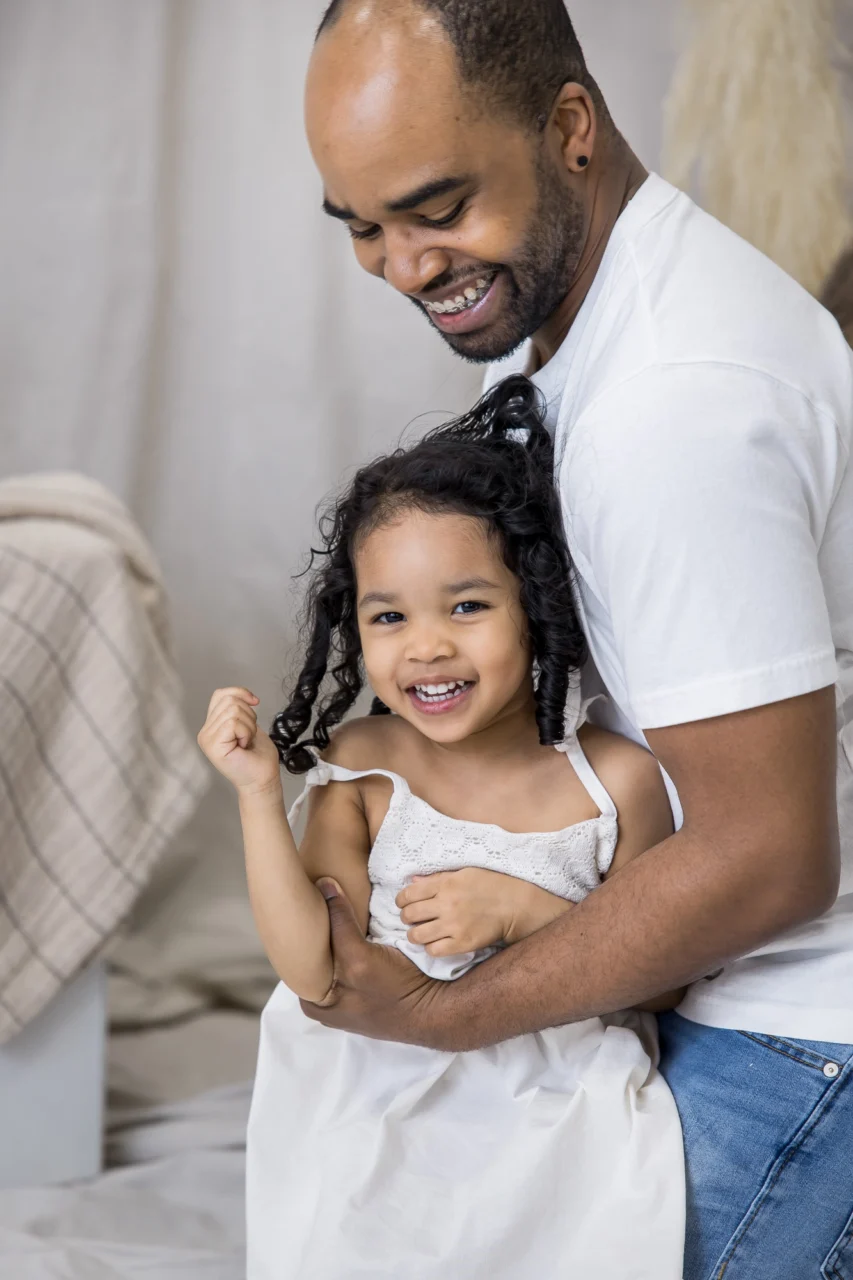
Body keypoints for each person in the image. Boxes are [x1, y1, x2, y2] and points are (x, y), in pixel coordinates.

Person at [300, 2, 853, 1277]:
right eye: (363, 227)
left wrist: (447, 1018)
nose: (402, 265)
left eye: (436, 207)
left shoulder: (673, 408)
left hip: (796, 1027)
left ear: (568, 128)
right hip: (679, 975)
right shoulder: (569, 325)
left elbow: (769, 860)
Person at [198, 378, 686, 1278]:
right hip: (373, 1097)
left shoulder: (615, 778)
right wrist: (257, 795)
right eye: (389, 617)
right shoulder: (364, 764)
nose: (424, 646)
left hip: (554, 1109)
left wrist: (526, 911)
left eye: (466, 606)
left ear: (536, 610)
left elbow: (659, 981)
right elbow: (312, 968)